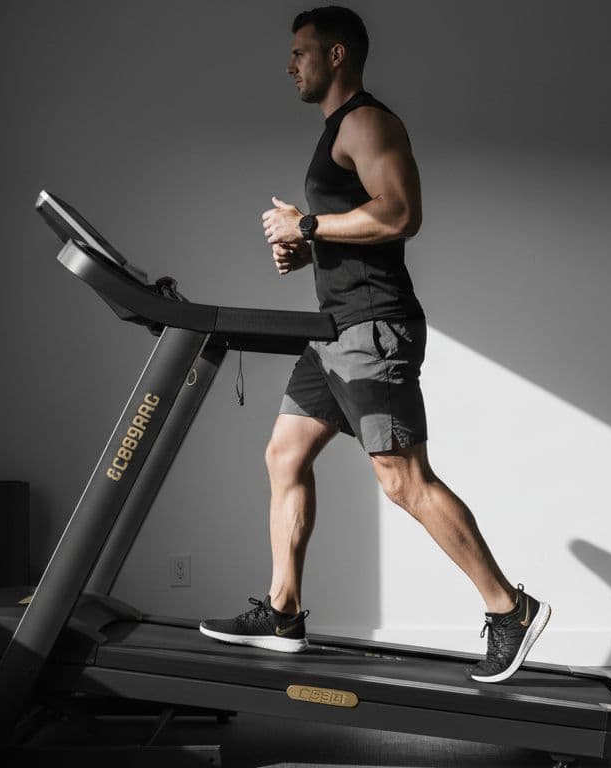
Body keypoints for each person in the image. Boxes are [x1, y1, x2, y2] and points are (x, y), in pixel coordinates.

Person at [199, 6, 549, 683]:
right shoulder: (337, 132)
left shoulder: (367, 122)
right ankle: (283, 612)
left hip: (371, 330)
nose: (290, 64)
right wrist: (309, 247)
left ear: (336, 55)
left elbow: (400, 213)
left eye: (301, 52)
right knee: (284, 453)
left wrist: (307, 221)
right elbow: (358, 228)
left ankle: (510, 610)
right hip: (332, 331)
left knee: (402, 480)